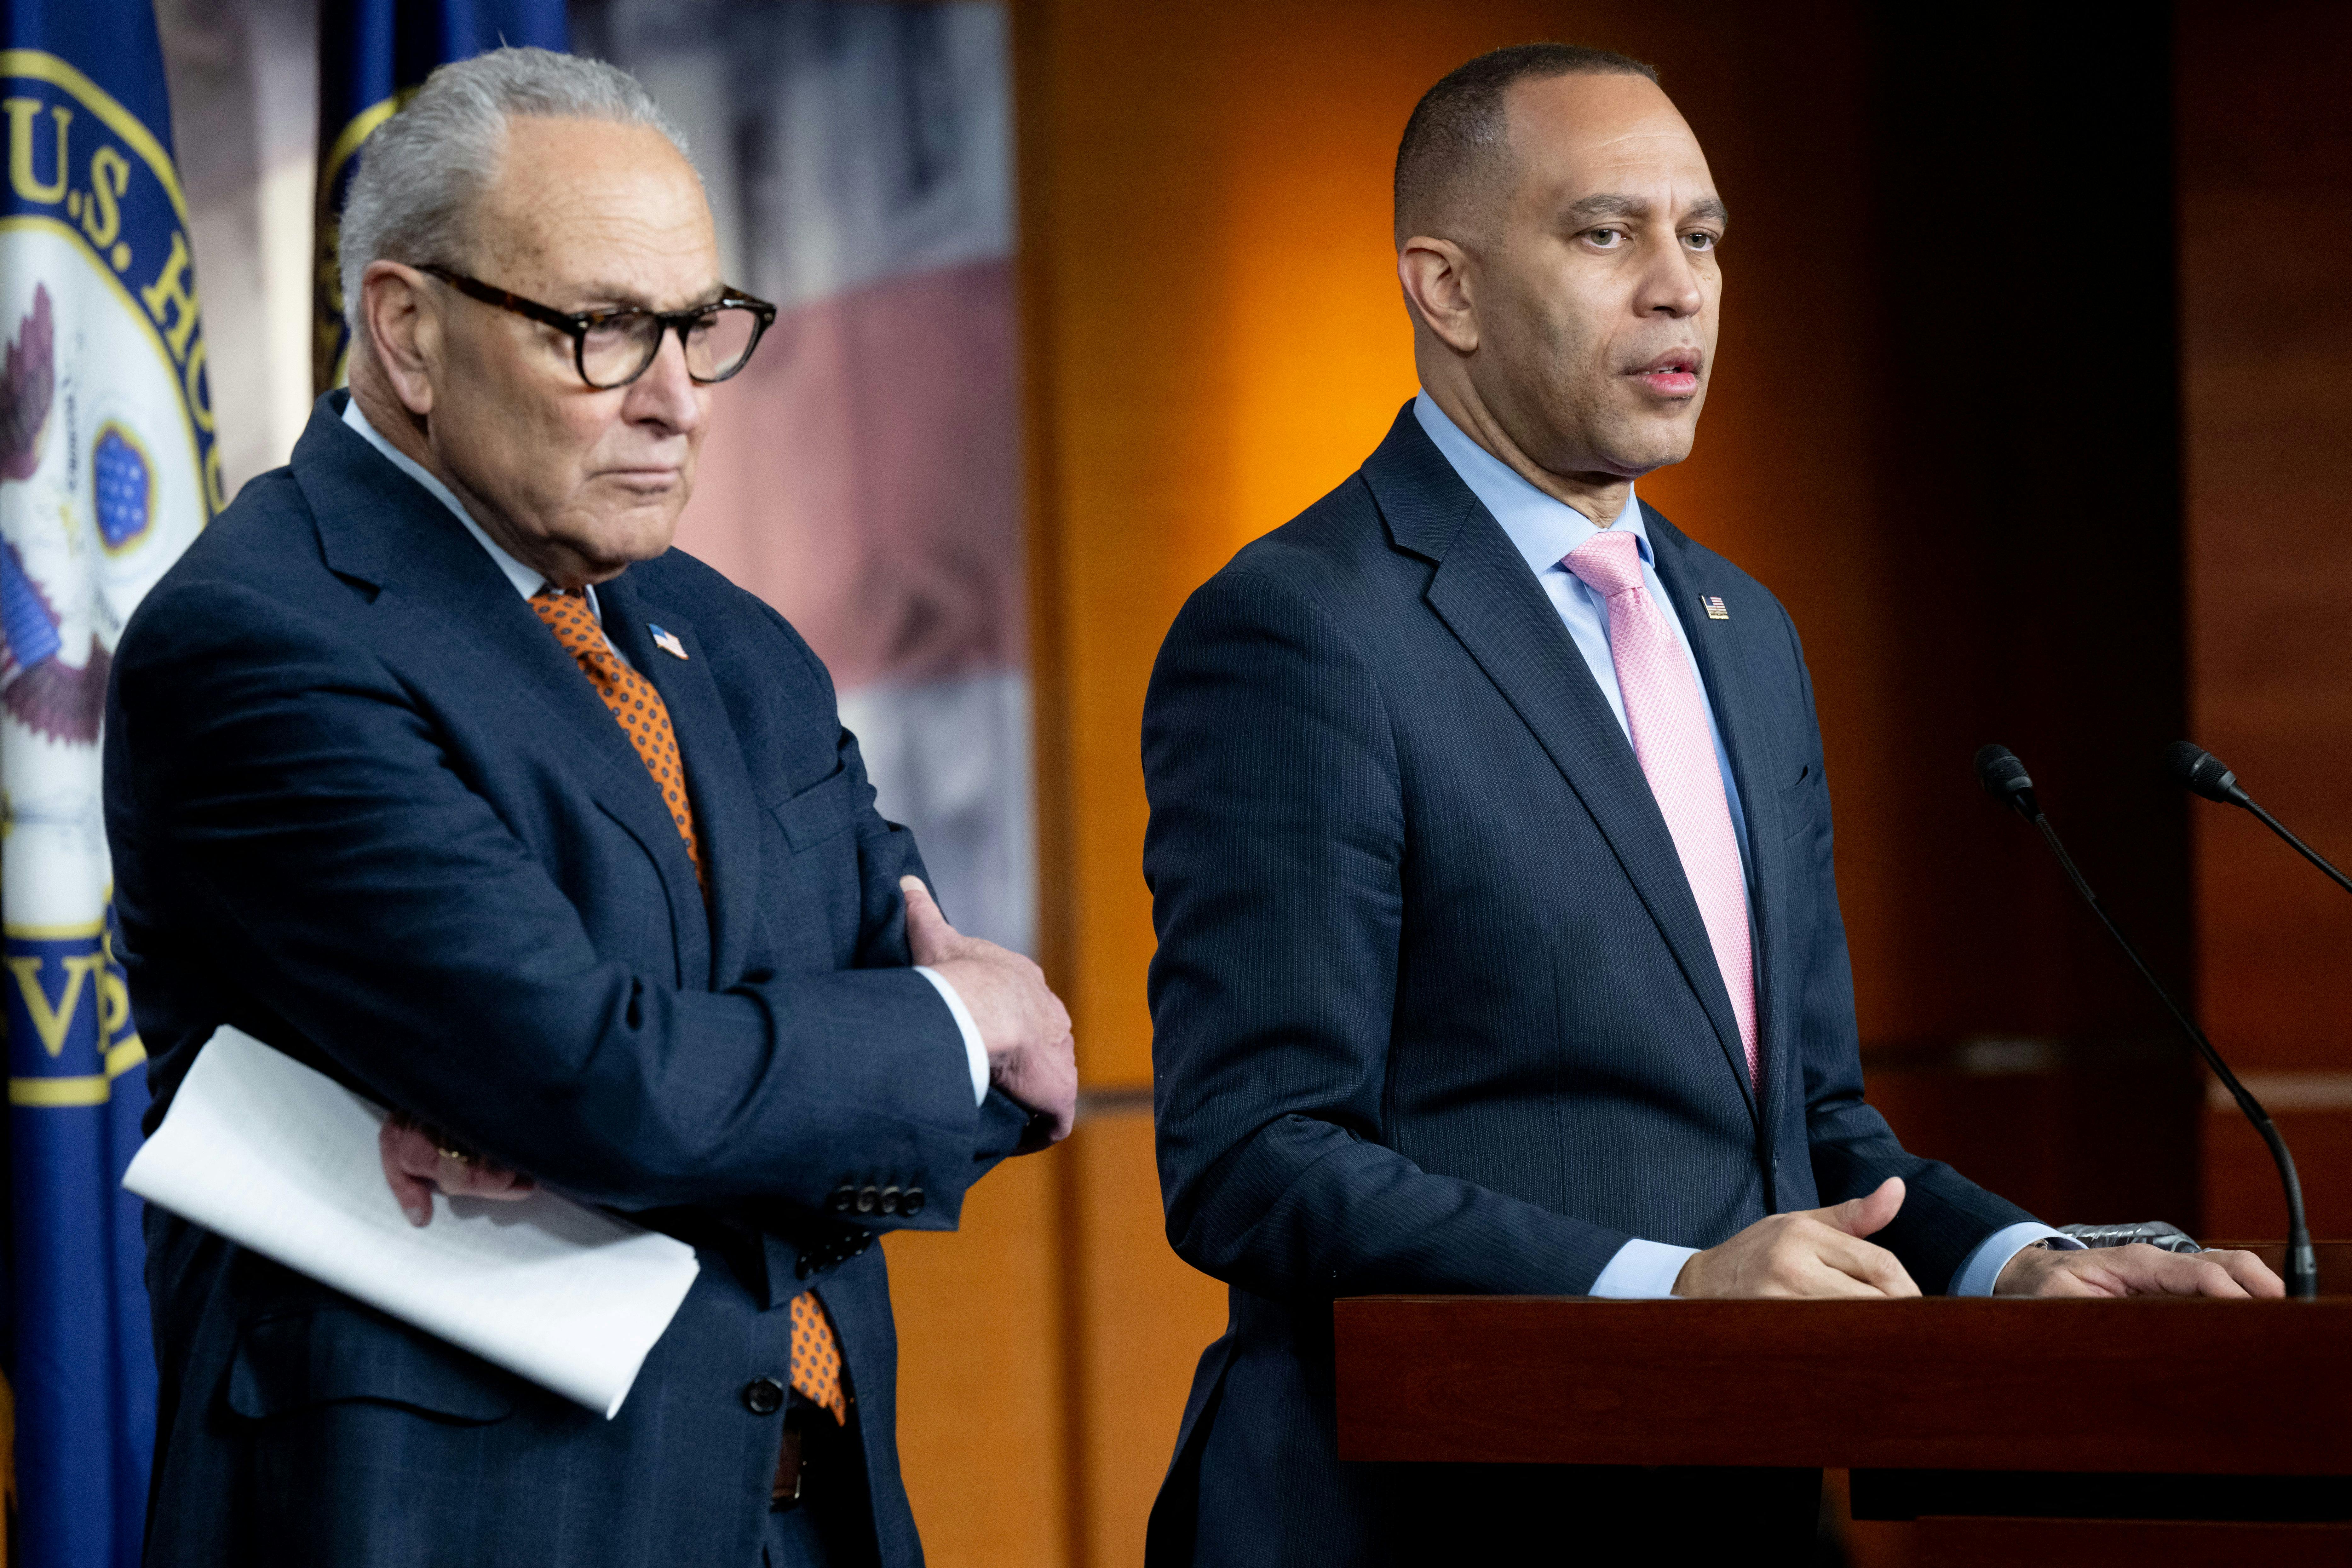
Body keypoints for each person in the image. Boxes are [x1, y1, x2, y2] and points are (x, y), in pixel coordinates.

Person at [1138, 43, 2280, 1566]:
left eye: (1704, 236)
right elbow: (1256, 1157)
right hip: (1427, 1516)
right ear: (1447, 288)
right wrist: (1668, 1286)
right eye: (1607, 234)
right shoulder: (1303, 628)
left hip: (1739, 1512)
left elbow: (1806, 1127)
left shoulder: (1739, 628)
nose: (1678, 288)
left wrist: (2013, 1263)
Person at [107, 47, 1073, 1568]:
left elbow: (997, 1098)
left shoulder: (735, 644)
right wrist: (939, 1028)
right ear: (409, 332)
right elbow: (608, 1079)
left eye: (699, 328)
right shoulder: (261, 637)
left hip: (804, 1513)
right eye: (605, 333)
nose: (679, 403)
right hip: (468, 1524)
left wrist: (666, 1099)